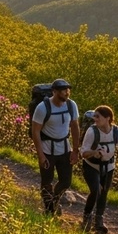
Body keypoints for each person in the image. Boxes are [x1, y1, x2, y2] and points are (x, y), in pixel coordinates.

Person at [79, 105, 118, 234]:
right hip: (91, 165)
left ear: (108, 118)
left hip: (109, 167)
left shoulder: (117, 131)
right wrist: (94, 153)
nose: (95, 119)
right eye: (94, 116)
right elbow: (83, 152)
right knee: (96, 190)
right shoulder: (92, 131)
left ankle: (99, 219)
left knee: (104, 193)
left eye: (98, 116)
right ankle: (87, 217)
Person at [30, 78, 81, 215]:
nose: (67, 92)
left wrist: (75, 150)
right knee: (47, 181)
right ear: (54, 92)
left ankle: (55, 201)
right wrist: (40, 155)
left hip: (65, 149)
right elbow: (35, 131)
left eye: (68, 90)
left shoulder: (71, 105)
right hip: (47, 149)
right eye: (63, 90)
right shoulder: (42, 108)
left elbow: (75, 127)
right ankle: (49, 209)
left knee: (65, 181)